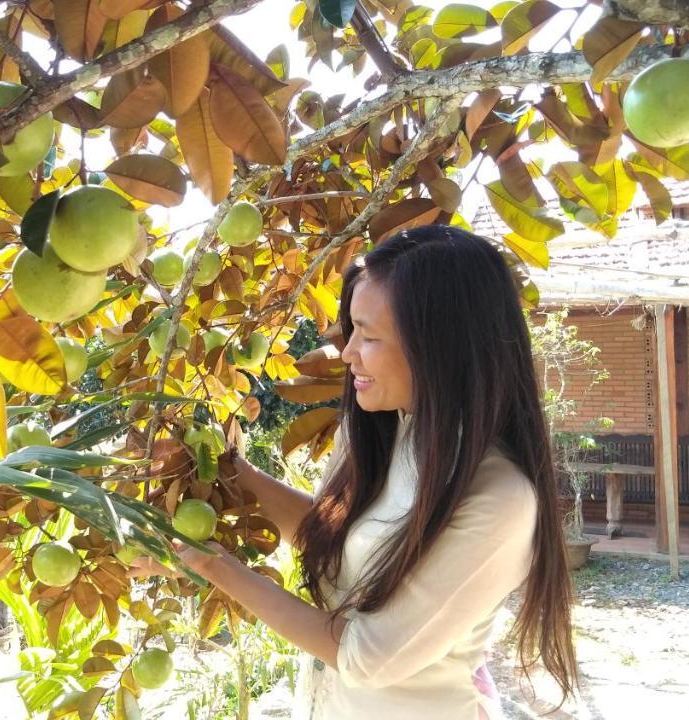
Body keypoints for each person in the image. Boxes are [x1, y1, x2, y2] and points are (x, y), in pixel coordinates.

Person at [128, 225, 580, 718]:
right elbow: (329, 539)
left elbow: (368, 657)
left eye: (369, 335)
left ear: (439, 344)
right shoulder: (382, 432)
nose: (347, 354)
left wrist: (214, 565)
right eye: (352, 331)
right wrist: (227, 470)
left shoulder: (500, 499)